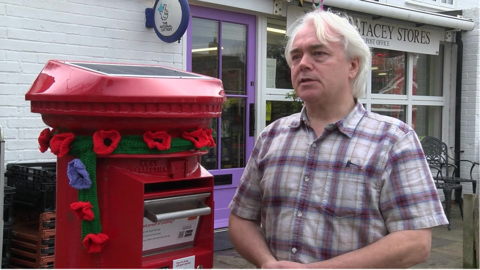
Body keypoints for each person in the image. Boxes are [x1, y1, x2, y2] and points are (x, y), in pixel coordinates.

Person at [228, 10, 448, 269]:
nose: (303, 64)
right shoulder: (272, 137)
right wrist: (266, 262)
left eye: (318, 53)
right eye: (296, 56)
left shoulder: (393, 140)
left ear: (352, 66)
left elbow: (415, 243)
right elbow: (242, 218)